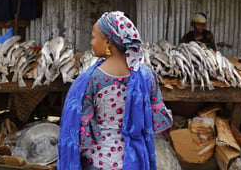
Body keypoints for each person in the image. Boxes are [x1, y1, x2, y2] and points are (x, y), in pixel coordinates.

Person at [58, 11, 173, 170]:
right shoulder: (146, 75)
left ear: (107, 42)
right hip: (136, 159)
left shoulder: (90, 79)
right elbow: (152, 119)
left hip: (100, 161)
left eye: (93, 37)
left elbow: (80, 132)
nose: (91, 42)